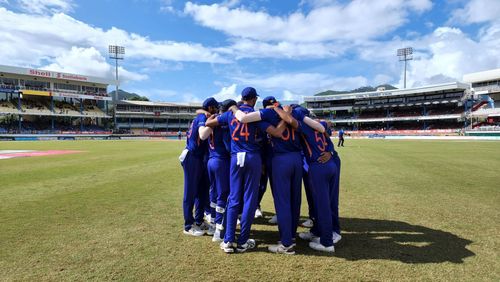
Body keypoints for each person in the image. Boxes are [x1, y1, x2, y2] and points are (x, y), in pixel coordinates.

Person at [205, 87, 287, 253]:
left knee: (234, 197)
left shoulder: (230, 114)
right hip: (253, 157)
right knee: (250, 199)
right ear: (254, 99)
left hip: (236, 158)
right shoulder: (256, 115)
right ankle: (242, 241)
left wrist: (215, 114)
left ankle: (228, 240)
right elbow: (276, 132)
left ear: (242, 98)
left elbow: (209, 123)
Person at [294, 106, 340, 253]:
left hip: (318, 166)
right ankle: (320, 233)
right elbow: (327, 124)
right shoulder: (319, 125)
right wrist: (330, 151)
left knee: (322, 206)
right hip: (330, 163)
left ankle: (327, 242)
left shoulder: (302, 126)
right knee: (325, 203)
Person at [197, 99, 236, 242]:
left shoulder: (211, 120)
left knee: (213, 193)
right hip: (221, 161)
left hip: (211, 161)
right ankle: (219, 230)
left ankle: (214, 223)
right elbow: (228, 147)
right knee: (223, 195)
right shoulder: (224, 124)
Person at [179, 97, 219, 236]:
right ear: (210, 107)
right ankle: (188, 225)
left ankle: (198, 221)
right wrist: (212, 124)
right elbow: (202, 135)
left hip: (199, 157)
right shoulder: (202, 116)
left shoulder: (203, 115)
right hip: (192, 157)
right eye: (215, 107)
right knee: (190, 192)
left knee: (202, 191)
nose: (217, 110)